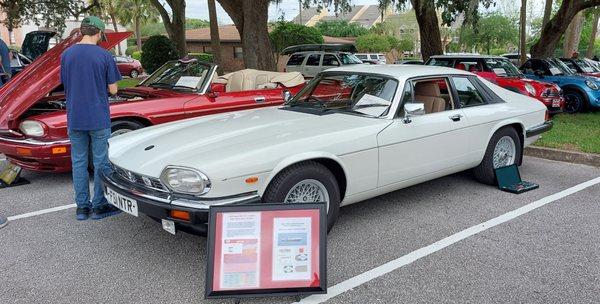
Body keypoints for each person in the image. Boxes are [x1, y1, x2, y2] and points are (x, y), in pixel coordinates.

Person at [60, 16, 122, 220]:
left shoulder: (66, 54)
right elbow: (113, 90)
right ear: (99, 33)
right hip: (97, 117)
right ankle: (99, 206)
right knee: (101, 162)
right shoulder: (104, 55)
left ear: (82, 31)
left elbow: (65, 83)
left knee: (78, 162)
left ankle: (82, 208)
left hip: (75, 117)